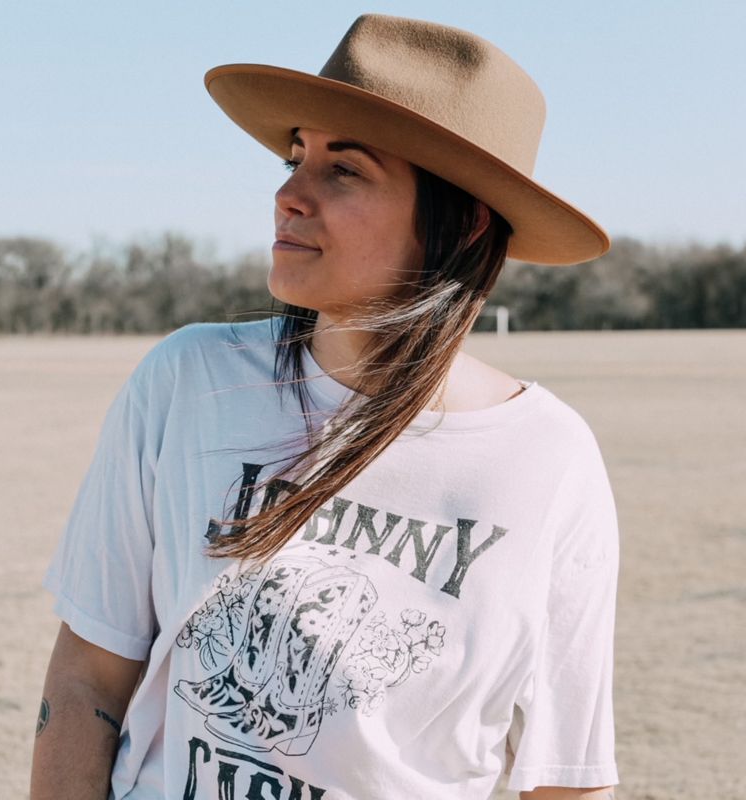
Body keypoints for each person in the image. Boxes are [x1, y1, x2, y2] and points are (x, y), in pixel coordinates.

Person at [31, 14, 620, 800]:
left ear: (464, 220)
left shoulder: (545, 458)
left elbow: (566, 780)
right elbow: (88, 678)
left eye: (344, 170)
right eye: (294, 155)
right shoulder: (188, 382)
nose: (287, 194)